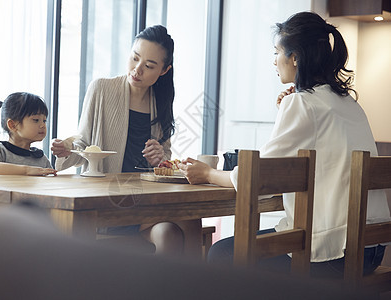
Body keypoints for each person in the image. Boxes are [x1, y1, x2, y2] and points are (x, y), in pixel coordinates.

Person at [179, 11, 391, 277]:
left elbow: (257, 178)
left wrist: (207, 173)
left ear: (295, 57)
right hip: (371, 248)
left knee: (221, 255)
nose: (274, 61)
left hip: (335, 252)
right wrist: (287, 108)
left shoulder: (303, 104)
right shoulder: (349, 104)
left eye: (277, 52)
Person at [51, 25, 201, 256]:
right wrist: (66, 149)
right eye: (134, 58)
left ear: (164, 70)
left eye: (149, 66)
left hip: (147, 200)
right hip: (110, 199)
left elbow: (166, 161)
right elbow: (83, 142)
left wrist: (159, 159)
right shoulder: (101, 88)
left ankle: (188, 290)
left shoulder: (161, 101)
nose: (137, 69)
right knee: (184, 226)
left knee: (184, 225)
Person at [0, 92, 57, 176]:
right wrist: (27, 170)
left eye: (44, 121)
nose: (43, 125)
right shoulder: (0, 150)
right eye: (36, 120)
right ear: (13, 125)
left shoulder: (41, 158)